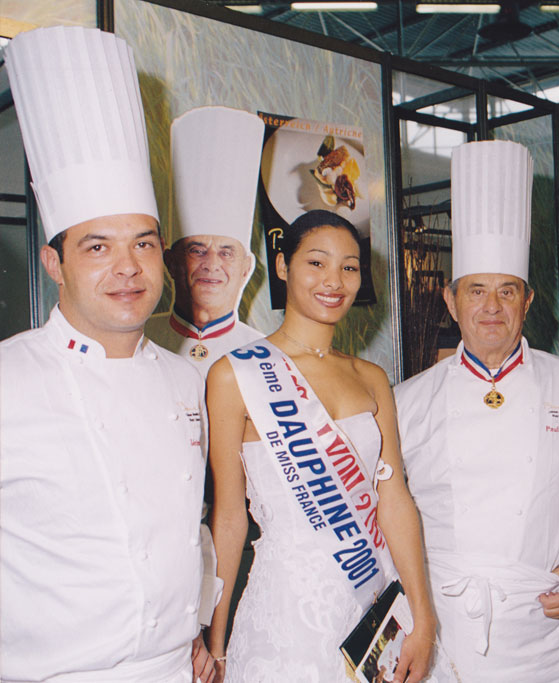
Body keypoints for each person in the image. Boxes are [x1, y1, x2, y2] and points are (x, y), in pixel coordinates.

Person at [0, 26, 214, 682]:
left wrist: (198, 629)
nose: (128, 267)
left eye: (144, 243)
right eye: (97, 247)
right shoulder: (8, 378)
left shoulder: (186, 378)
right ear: (53, 263)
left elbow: (189, 530)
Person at [395, 141, 559, 681]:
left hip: (552, 628)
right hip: (446, 625)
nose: (491, 307)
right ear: (451, 301)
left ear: (527, 302)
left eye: (507, 292)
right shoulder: (408, 400)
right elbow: (385, 512)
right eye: (476, 291)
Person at [204, 210, 437, 682]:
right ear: (283, 266)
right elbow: (228, 518)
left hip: (373, 600)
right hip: (287, 613)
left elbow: (394, 500)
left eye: (349, 267)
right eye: (316, 263)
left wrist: (423, 614)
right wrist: (216, 639)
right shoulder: (234, 375)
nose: (334, 281)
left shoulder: (370, 378)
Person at [147, 106, 265, 379]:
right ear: (171, 261)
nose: (212, 264)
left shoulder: (265, 354)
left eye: (227, 253)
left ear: (246, 268)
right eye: (197, 250)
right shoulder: (138, 340)